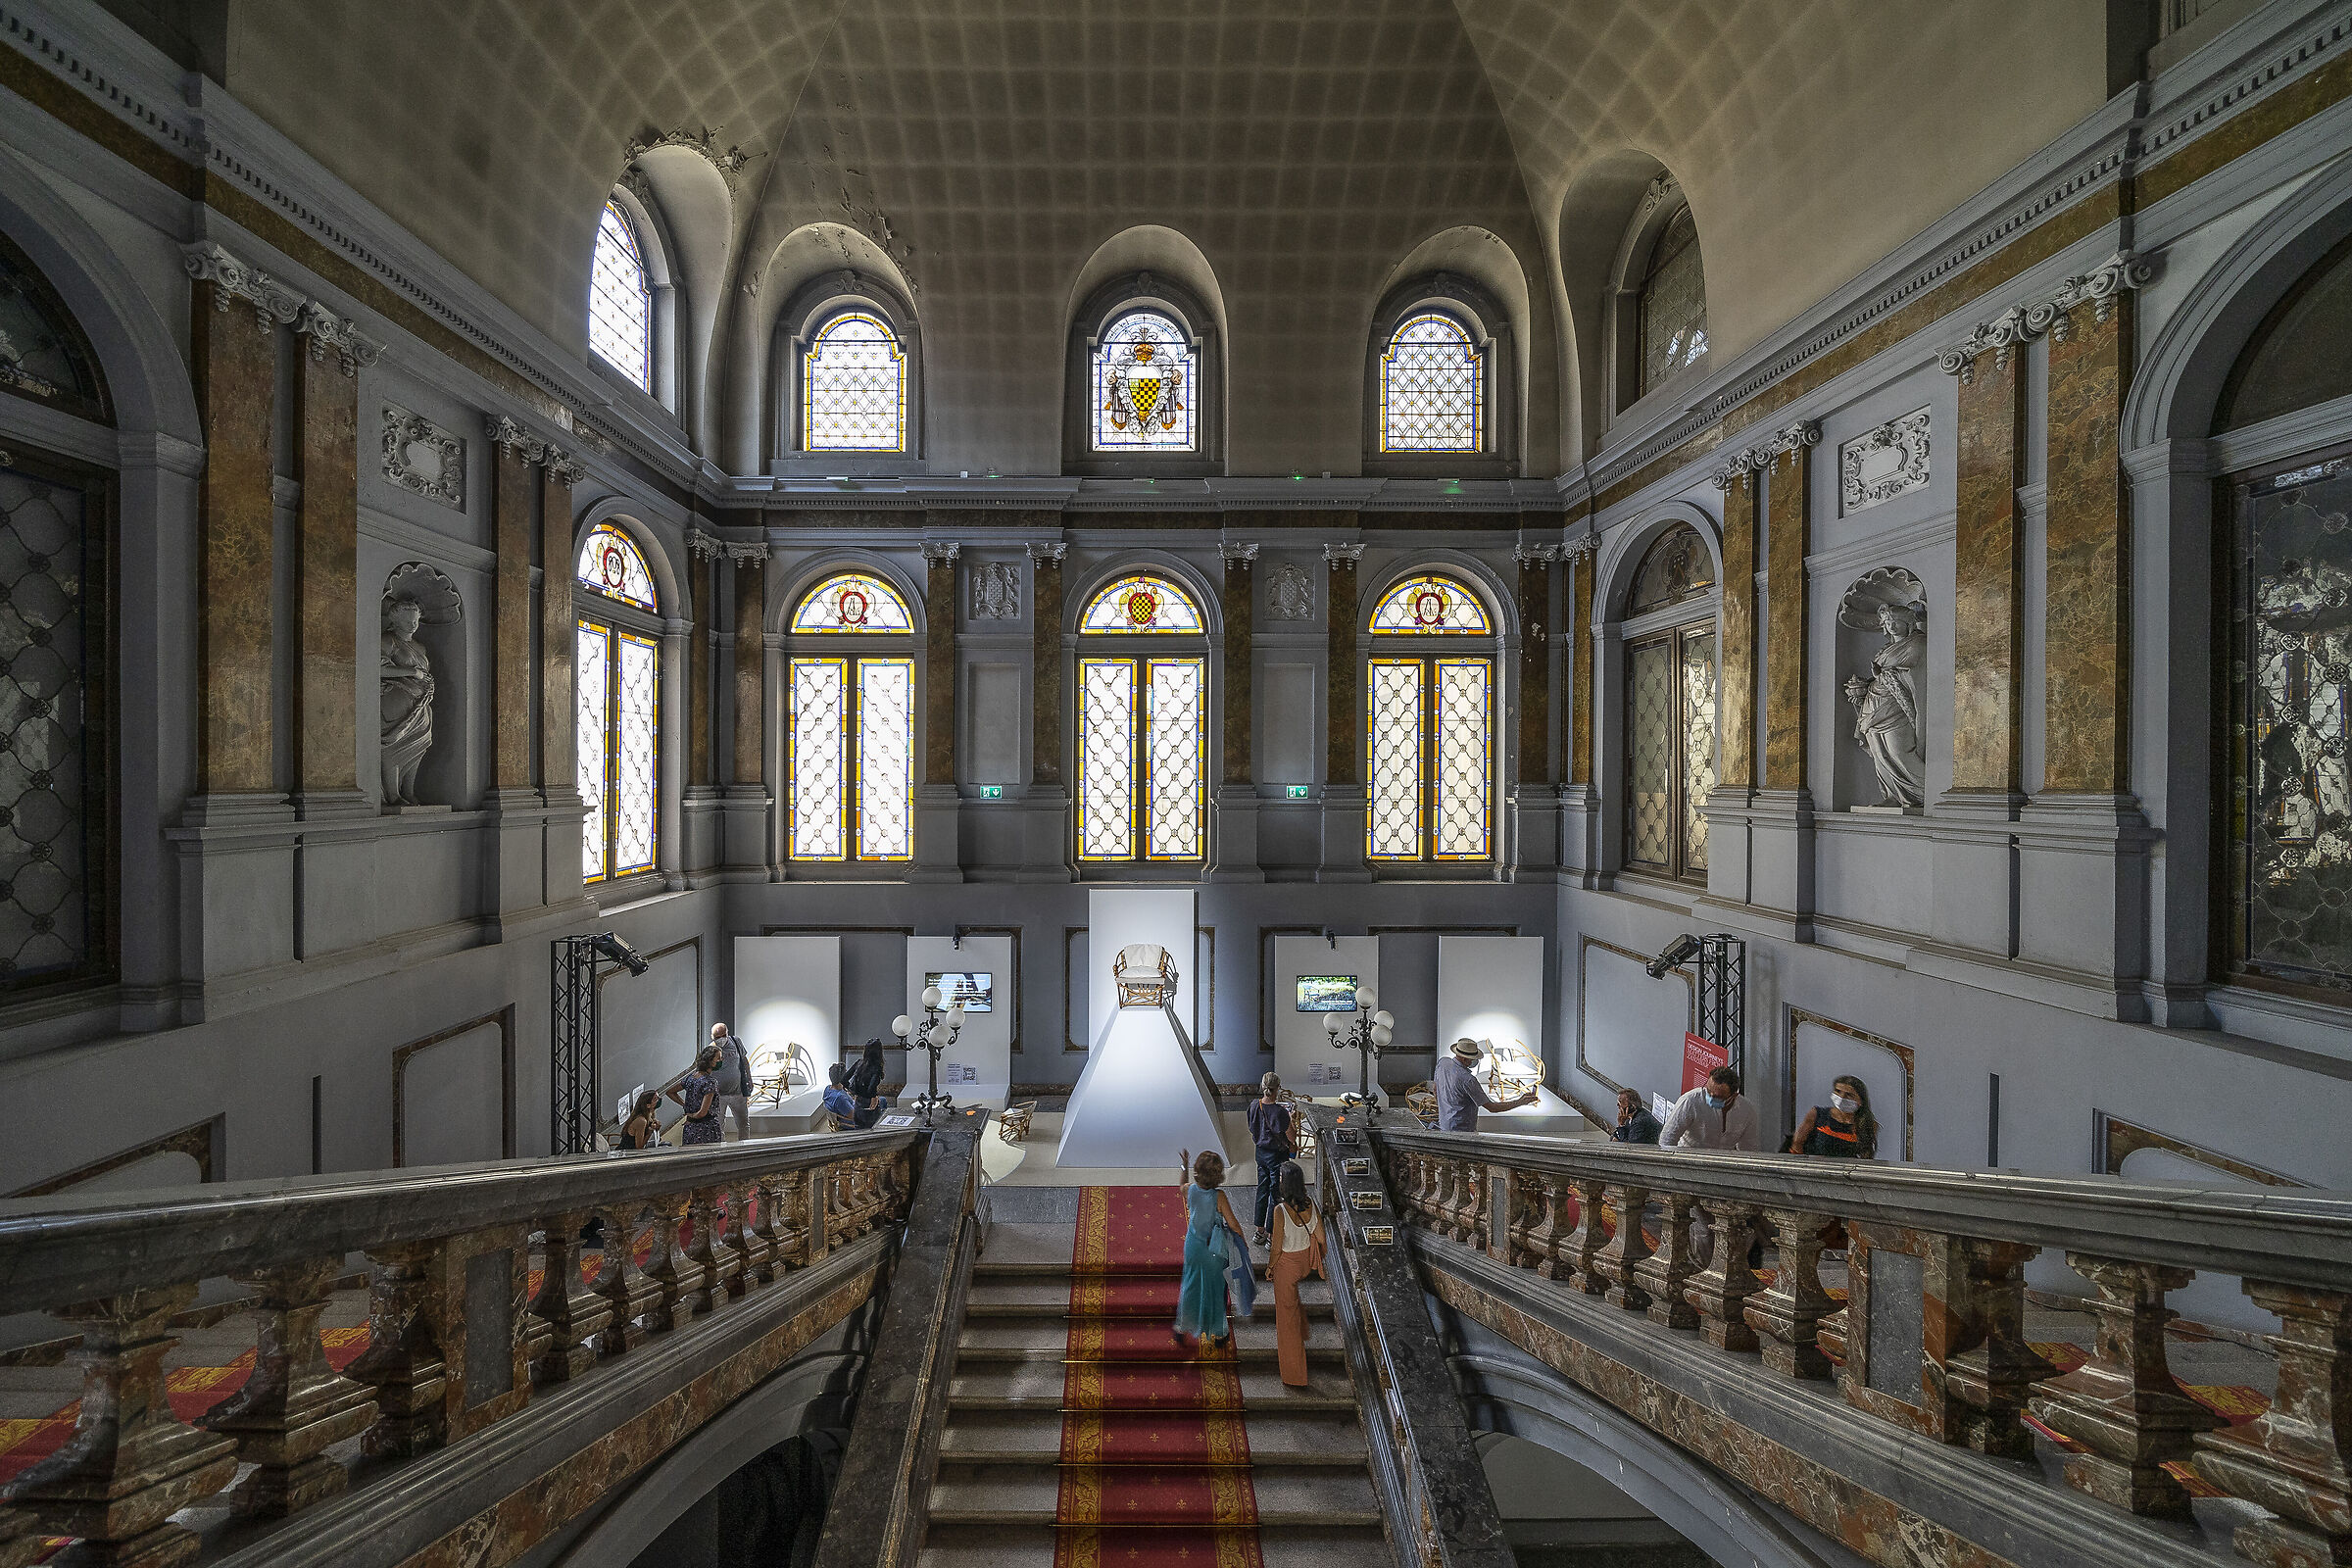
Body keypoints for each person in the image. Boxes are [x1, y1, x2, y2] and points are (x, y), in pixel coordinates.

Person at [1171, 1148, 1246, 1351]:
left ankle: (1181, 1326)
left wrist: (1183, 1165)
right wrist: (1243, 1242)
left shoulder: (1191, 1190)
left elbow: (1180, 1186)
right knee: (1214, 1290)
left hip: (1194, 1246)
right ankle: (1219, 1332)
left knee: (1190, 1285)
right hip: (1214, 1250)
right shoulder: (1219, 1196)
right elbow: (1233, 1224)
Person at [1266, 1162, 1325, 1388]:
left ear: (1286, 1184)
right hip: (1303, 1262)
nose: (1279, 1180)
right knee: (1292, 1305)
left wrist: (1271, 1267)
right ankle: (1304, 1329)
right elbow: (1320, 1237)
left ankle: (1295, 1375)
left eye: (1281, 1178)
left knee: (1286, 1321)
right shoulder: (1310, 1204)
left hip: (1287, 1267)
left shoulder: (1280, 1211)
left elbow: (1276, 1247)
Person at [1433, 1038, 1538, 1132]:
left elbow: (1435, 1089)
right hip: (1461, 1130)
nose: (1475, 1061)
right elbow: (1492, 1107)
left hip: (1444, 1124)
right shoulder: (1468, 1080)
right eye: (1473, 1059)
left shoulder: (1442, 1062)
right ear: (1465, 1059)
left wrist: (1443, 1110)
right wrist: (1519, 1102)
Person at [1246, 1073, 1296, 1246]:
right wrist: (1291, 1119)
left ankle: (1259, 1232)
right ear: (1278, 1088)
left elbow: (1252, 1128)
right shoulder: (1281, 1112)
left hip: (1260, 1153)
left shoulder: (1253, 1105)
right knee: (1276, 1194)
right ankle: (1271, 1234)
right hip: (1277, 1156)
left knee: (1262, 1190)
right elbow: (1292, 1137)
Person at [1658, 1065, 1759, 1152]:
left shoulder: (1747, 1111)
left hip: (1723, 1164)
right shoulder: (1690, 1100)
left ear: (1733, 1096)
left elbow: (1748, 1148)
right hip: (1689, 1158)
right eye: (1708, 1090)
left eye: (1717, 1096)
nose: (1710, 1097)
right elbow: (1667, 1139)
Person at [1788, 1074, 1878, 1158]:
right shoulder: (1817, 1114)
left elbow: (1866, 1155)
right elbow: (1797, 1144)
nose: (1841, 1097)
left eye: (1849, 1095)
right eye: (1838, 1091)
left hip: (1847, 1171)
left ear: (1860, 1101)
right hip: (1816, 1168)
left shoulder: (1868, 1124)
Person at [708, 1023, 754, 1142]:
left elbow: (744, 1060)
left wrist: (749, 1078)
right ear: (712, 1036)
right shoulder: (710, 1049)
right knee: (718, 1125)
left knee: (743, 1123)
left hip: (738, 1092)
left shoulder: (736, 1041)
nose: (721, 1039)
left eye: (723, 1035)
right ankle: (722, 1150)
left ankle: (744, 1148)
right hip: (719, 1095)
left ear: (727, 1033)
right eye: (717, 1037)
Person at [669, 1045, 722, 1146]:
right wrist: (693, 1115)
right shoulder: (710, 1082)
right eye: (718, 1058)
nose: (721, 1060)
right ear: (710, 1061)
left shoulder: (691, 1077)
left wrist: (685, 1105)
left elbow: (670, 1092)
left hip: (690, 1128)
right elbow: (702, 1113)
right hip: (706, 1129)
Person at [820, 1063, 861, 1130]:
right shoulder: (840, 1098)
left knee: (881, 1100)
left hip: (843, 1114)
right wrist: (857, 1098)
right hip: (850, 1123)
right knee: (880, 1104)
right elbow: (854, 1116)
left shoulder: (827, 1088)